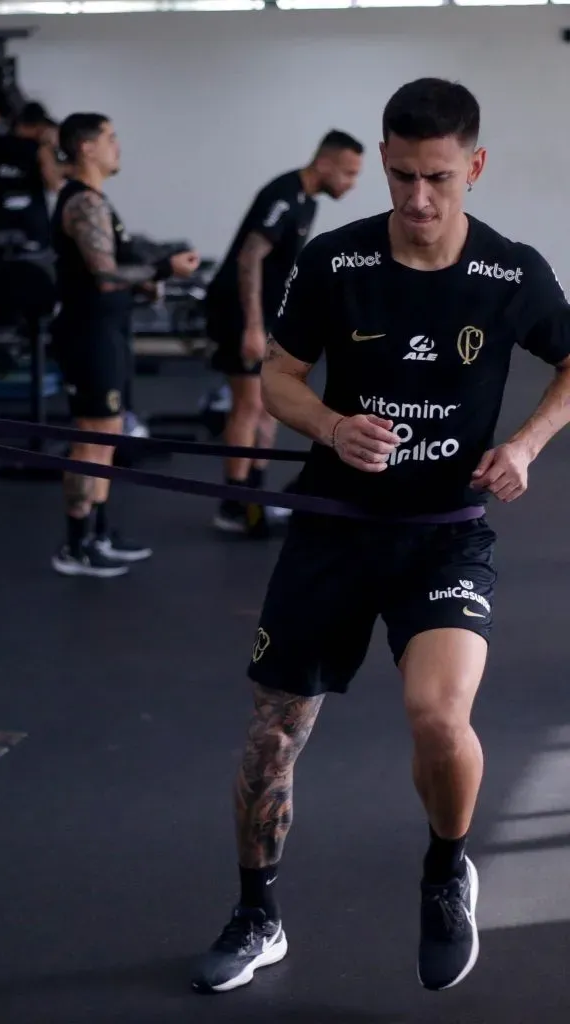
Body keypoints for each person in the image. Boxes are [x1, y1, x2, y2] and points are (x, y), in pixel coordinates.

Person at [191, 77, 570, 995]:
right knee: (272, 737)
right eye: (399, 176)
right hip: (333, 527)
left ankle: (447, 871)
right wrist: (327, 425)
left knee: (438, 716)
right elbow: (279, 376)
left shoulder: (511, 272)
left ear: (473, 166)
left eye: (437, 177)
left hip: (442, 535)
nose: (416, 199)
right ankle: (257, 914)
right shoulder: (336, 261)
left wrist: (523, 442)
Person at [49, 113, 199, 577]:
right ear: (86, 147)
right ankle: (76, 545)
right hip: (88, 333)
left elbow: (115, 269)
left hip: (107, 332)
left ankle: (99, 531)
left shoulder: (96, 202)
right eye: (110, 138)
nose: (118, 146)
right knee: (91, 439)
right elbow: (104, 273)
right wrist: (162, 272)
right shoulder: (83, 204)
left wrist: (149, 281)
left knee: (108, 436)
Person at [204, 130, 364, 533]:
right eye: (347, 173)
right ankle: (232, 503)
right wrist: (254, 326)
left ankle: (257, 495)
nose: (351, 183)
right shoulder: (283, 193)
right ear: (324, 163)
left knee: (267, 401)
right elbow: (249, 258)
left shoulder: (306, 201)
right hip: (240, 312)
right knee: (246, 404)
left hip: (265, 314)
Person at [0, 100, 66, 253]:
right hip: (20, 220)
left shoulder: (1, 143)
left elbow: (53, 184)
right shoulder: (35, 149)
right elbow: (54, 184)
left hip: (6, 217)